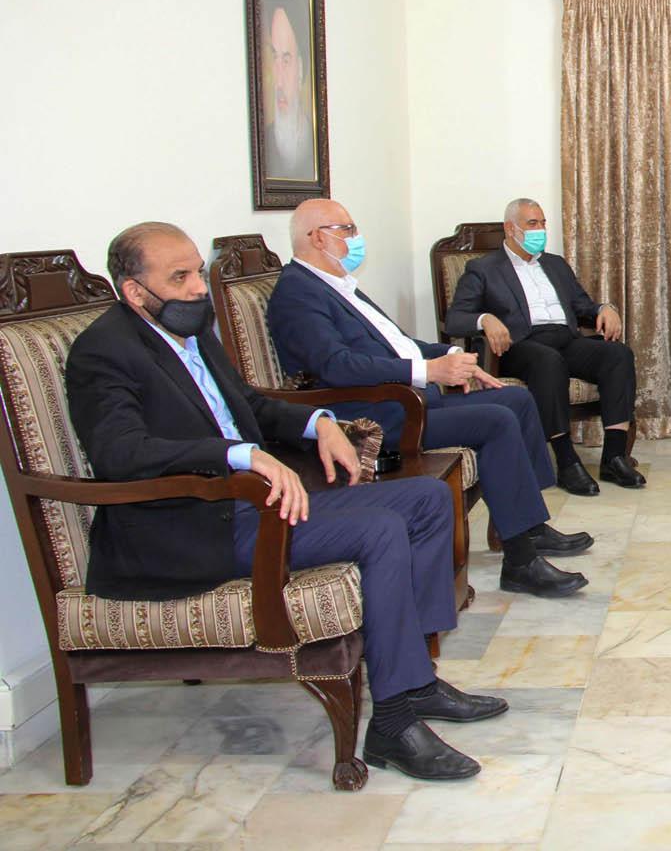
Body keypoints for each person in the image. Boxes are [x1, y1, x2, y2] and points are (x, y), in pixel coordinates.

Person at [68, 222, 501, 781]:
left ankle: (414, 681)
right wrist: (240, 455)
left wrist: (320, 421)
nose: (198, 287)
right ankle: (393, 723)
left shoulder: (190, 332)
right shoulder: (105, 351)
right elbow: (120, 453)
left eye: (197, 271)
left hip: (252, 506)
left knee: (425, 498)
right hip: (190, 527)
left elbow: (249, 404)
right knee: (378, 529)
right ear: (134, 291)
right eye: (180, 278)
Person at [266, 199, 593, 598]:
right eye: (347, 230)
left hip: (404, 399)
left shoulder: (339, 284)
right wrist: (428, 371)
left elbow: (398, 343)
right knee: (497, 420)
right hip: (374, 415)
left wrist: (453, 356)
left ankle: (529, 526)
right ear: (317, 238)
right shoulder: (298, 293)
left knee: (516, 401)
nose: (356, 238)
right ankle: (520, 562)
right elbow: (336, 366)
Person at [444, 198, 644, 495]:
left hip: (565, 339)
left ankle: (614, 457)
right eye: (532, 223)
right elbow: (454, 319)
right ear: (510, 228)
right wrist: (485, 319)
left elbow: (582, 306)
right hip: (520, 345)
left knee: (618, 354)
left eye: (543, 223)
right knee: (548, 361)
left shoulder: (555, 264)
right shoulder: (484, 269)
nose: (540, 229)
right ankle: (566, 461)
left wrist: (606, 308)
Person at [263, 6, 316, 180]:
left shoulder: (316, 144)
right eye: (274, 58)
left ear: (300, 70)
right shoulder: (263, 142)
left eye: (286, 61)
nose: (278, 82)